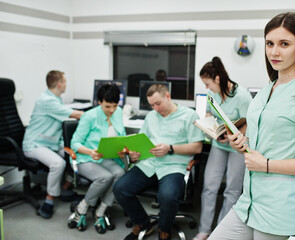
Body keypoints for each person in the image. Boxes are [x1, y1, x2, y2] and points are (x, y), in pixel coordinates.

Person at [208, 12, 295, 240]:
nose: (274, 52)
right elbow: (266, 139)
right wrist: (243, 143)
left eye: (284, 44)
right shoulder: (268, 89)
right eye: (269, 43)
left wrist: (266, 164)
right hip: (248, 203)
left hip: (279, 210)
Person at [112, 84, 204, 240]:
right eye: (152, 105)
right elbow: (141, 142)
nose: (155, 108)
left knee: (167, 196)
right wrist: (135, 154)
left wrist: (170, 148)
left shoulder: (190, 115)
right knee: (120, 188)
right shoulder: (151, 116)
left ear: (167, 96)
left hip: (173, 166)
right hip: (149, 164)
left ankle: (164, 228)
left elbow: (197, 147)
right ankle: (142, 223)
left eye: (158, 103)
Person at [193, 56, 252, 240]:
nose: (207, 88)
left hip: (237, 147)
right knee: (209, 187)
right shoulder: (213, 95)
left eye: (207, 83)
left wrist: (233, 137)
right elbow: (210, 114)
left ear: (217, 79)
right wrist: (210, 127)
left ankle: (221, 232)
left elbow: (248, 123)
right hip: (219, 144)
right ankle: (204, 230)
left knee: (232, 191)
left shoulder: (242, 96)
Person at [23, 70, 83, 219]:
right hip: (35, 144)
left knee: (75, 154)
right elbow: (74, 114)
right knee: (58, 163)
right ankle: (48, 202)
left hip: (50, 143)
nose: (66, 85)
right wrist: (98, 114)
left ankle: (64, 188)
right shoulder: (46, 101)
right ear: (59, 84)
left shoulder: (55, 99)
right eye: (65, 82)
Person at [67, 84, 126, 234]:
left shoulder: (118, 112)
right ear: (99, 103)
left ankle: (101, 210)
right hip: (85, 158)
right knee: (105, 177)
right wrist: (90, 152)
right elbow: (75, 143)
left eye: (115, 106)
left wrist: (123, 150)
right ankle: (82, 208)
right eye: (107, 106)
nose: (112, 110)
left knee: (120, 173)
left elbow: (121, 137)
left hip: (104, 157)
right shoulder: (89, 116)